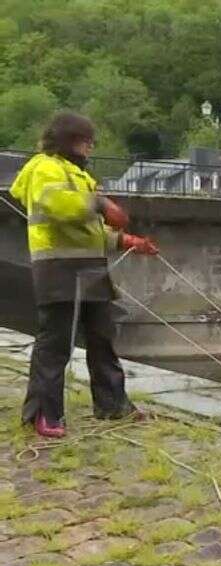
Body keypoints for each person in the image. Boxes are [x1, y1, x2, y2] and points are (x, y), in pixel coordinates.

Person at [10, 112, 158, 438]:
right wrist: (102, 203)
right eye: (86, 140)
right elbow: (57, 206)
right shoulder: (43, 168)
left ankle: (112, 404)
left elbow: (90, 230)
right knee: (56, 343)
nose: (90, 147)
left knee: (102, 339)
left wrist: (127, 240)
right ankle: (43, 414)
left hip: (91, 269)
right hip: (58, 270)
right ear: (68, 139)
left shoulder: (79, 175)